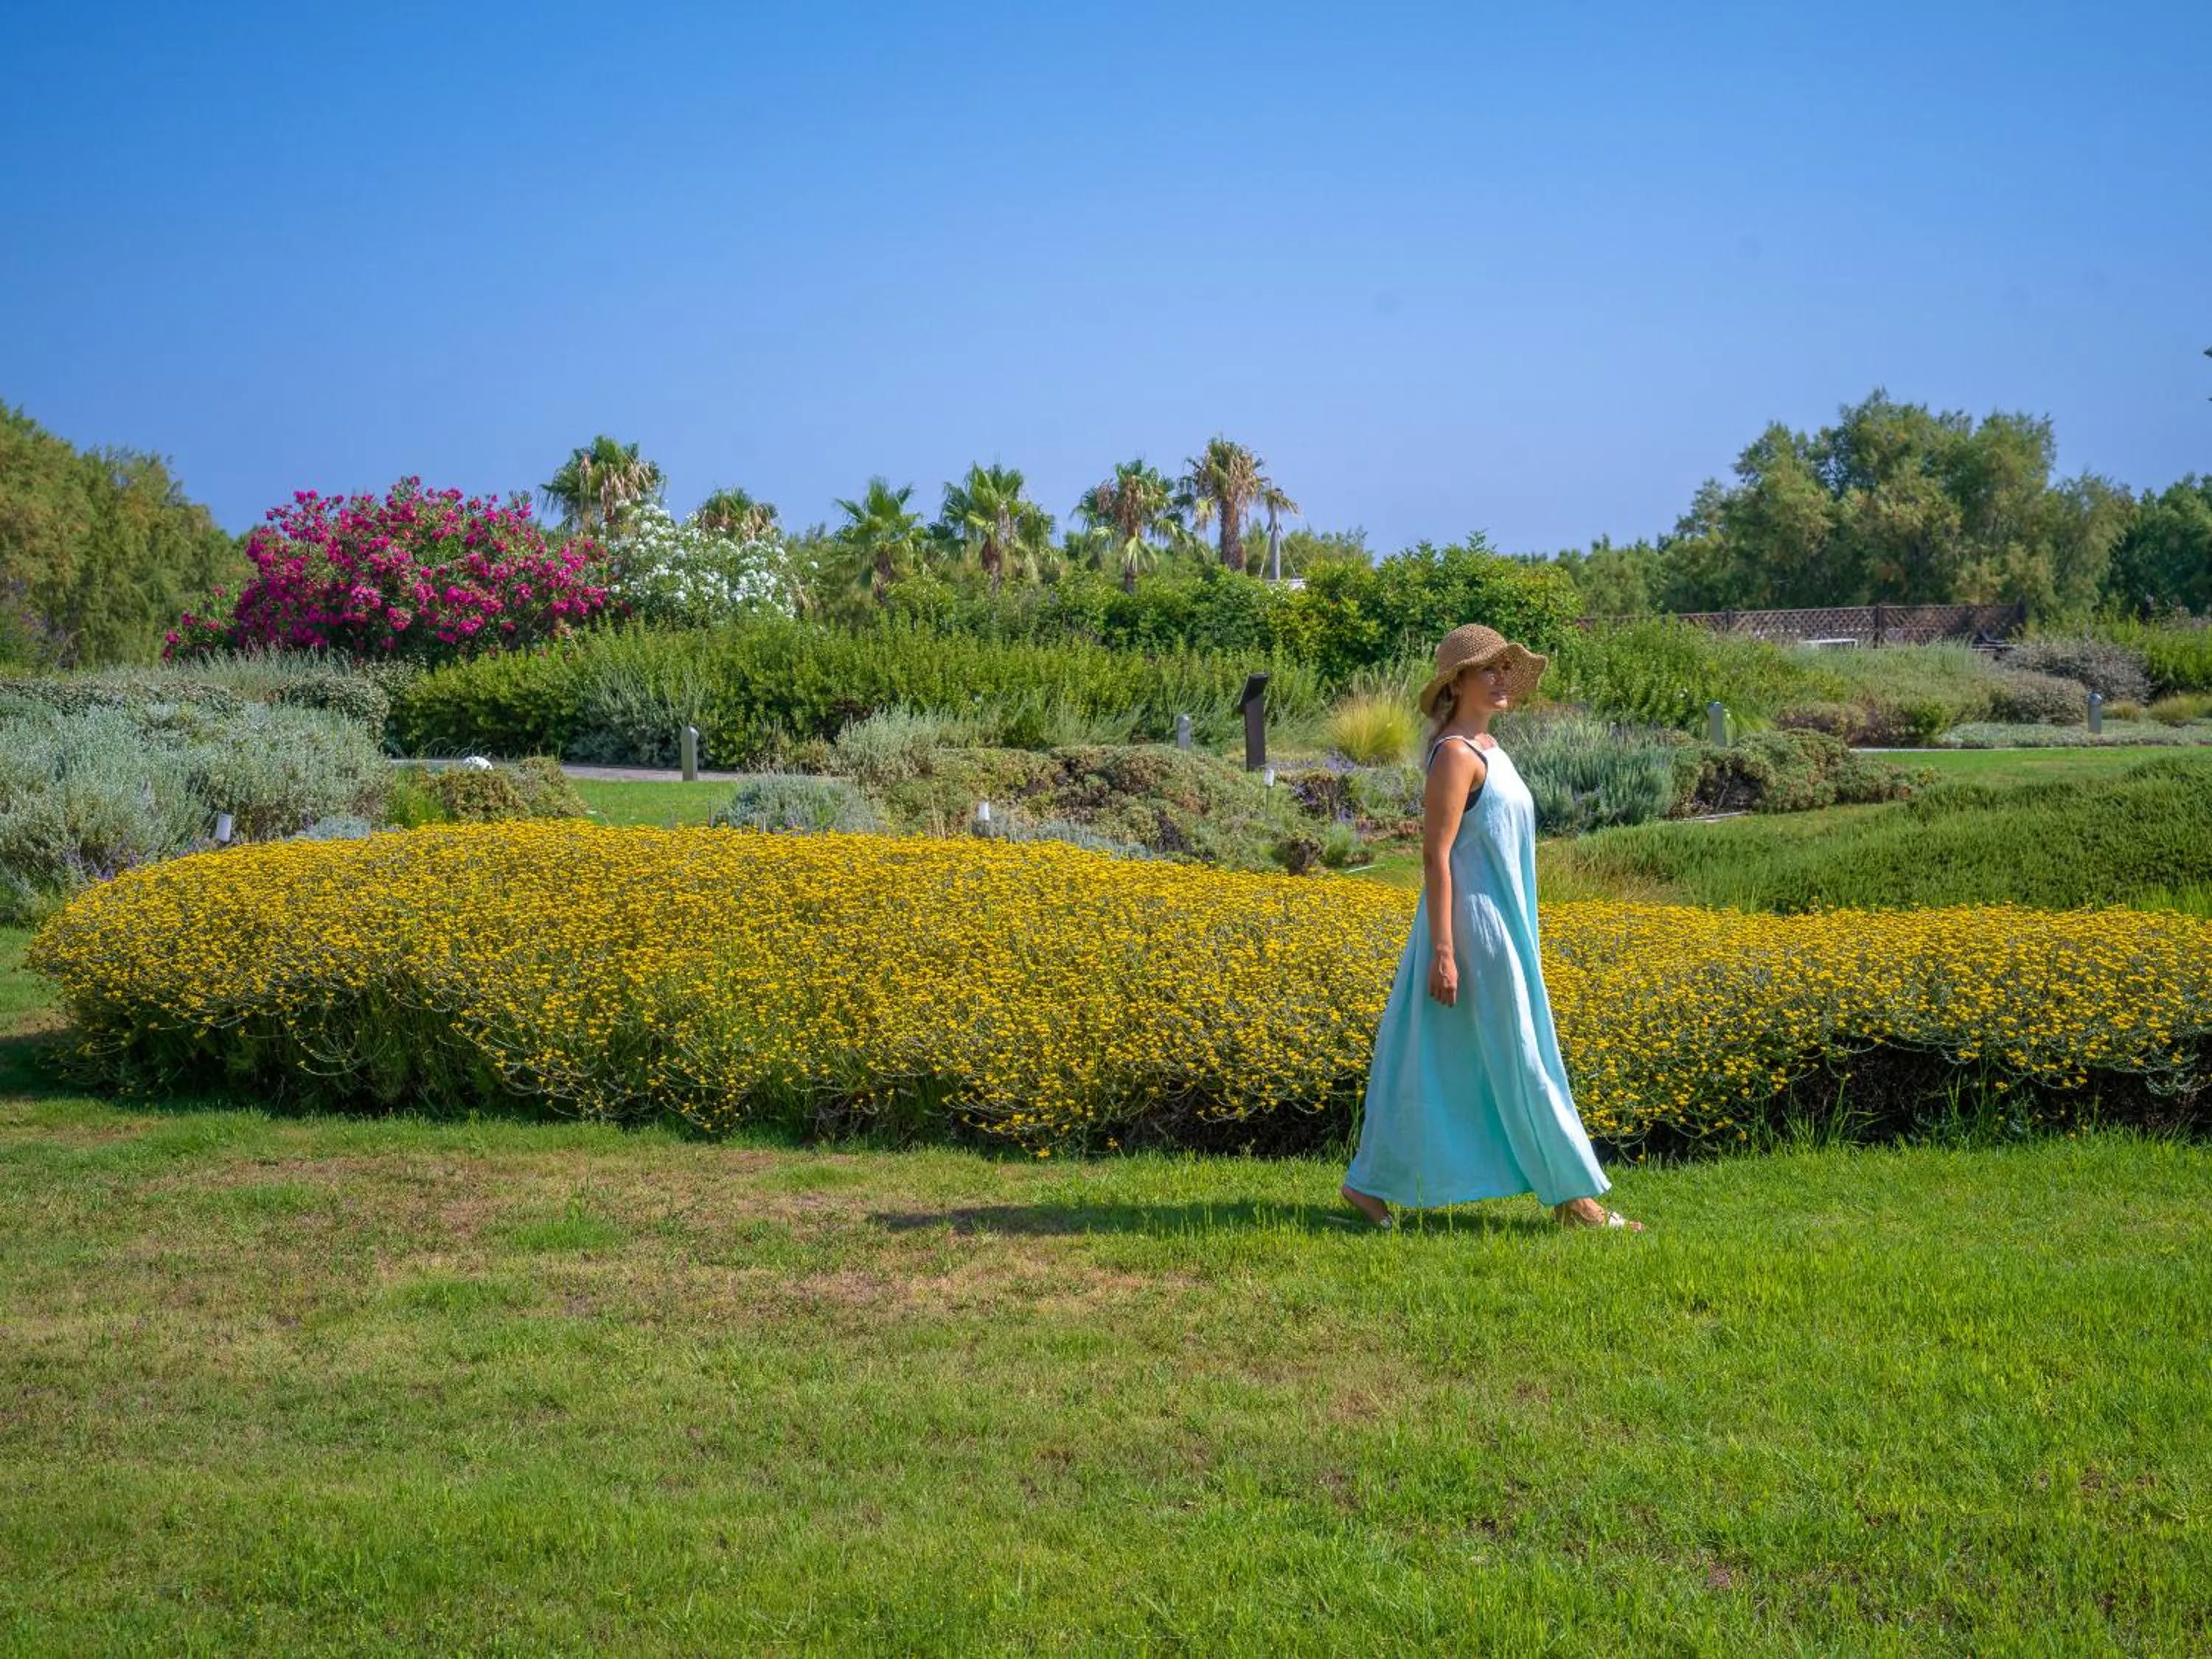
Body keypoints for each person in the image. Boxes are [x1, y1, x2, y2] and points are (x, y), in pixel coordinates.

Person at [1340, 623, 1642, 1232]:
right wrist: (1445, 951)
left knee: (1438, 1056)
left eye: (1507, 669)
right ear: (1456, 682)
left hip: (1504, 924)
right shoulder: (1456, 755)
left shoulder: (1491, 750)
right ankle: (1575, 1200)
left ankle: (1368, 1185)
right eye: (1489, 670)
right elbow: (1436, 856)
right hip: (1477, 930)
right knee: (1524, 1054)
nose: (1502, 680)